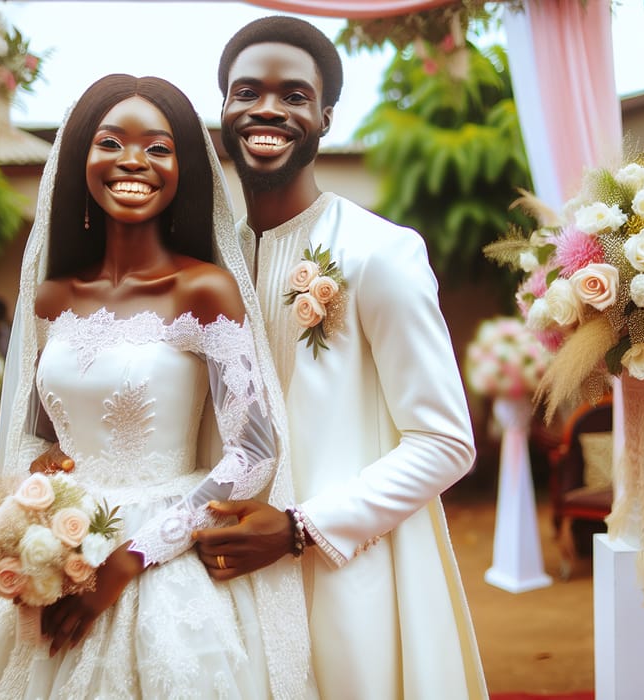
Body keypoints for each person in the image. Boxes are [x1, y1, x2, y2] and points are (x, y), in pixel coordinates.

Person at [0, 74, 316, 699]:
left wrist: (130, 558)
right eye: (111, 141)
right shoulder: (52, 298)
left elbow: (253, 452)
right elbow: (41, 438)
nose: (133, 161)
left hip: (163, 562)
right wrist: (41, 512)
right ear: (81, 161)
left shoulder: (204, 290)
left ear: (182, 170)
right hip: (63, 553)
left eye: (158, 147)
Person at [193, 16, 488, 699]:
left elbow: (445, 441)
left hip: (345, 575)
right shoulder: (208, 264)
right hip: (222, 579)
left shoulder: (380, 252)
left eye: (294, 95)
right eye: (247, 92)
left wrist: (301, 528)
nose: (268, 107)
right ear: (225, 113)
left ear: (325, 118)